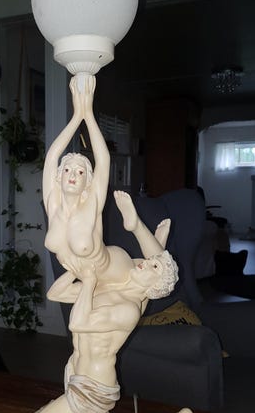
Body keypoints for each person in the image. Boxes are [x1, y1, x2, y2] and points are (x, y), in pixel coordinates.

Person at [15, 191, 206, 413]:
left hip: (90, 388)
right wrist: (77, 270)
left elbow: (77, 323)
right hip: (78, 373)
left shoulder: (129, 308)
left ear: (152, 286)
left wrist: (89, 281)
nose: (143, 262)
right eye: (147, 260)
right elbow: (56, 293)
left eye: (150, 266)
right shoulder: (114, 289)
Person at [43, 74, 168, 295]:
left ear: (87, 183)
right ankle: (154, 241)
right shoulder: (53, 203)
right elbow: (52, 157)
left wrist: (88, 115)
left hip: (114, 270)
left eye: (80, 172)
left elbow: (103, 161)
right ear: (58, 177)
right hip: (90, 280)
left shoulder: (92, 203)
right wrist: (76, 117)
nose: (73, 175)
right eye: (68, 170)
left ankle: (137, 226)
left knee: (160, 280)